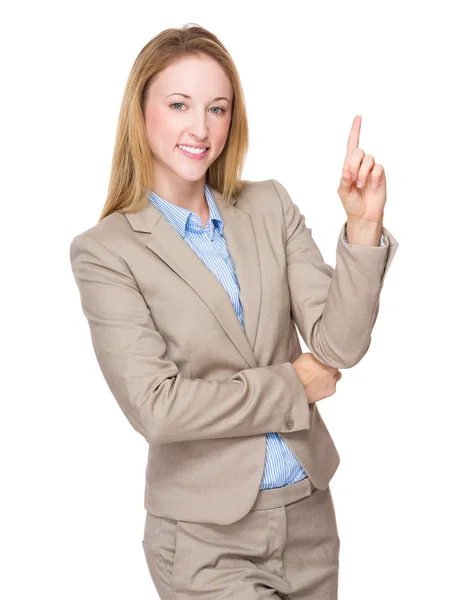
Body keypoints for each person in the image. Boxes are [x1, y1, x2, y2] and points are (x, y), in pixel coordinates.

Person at [69, 23, 399, 600]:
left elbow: (340, 346)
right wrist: (294, 384)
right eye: (179, 105)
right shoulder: (106, 251)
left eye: (217, 108)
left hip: (310, 520)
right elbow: (159, 410)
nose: (200, 128)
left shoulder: (268, 204)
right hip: (204, 541)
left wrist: (363, 227)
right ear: (140, 111)